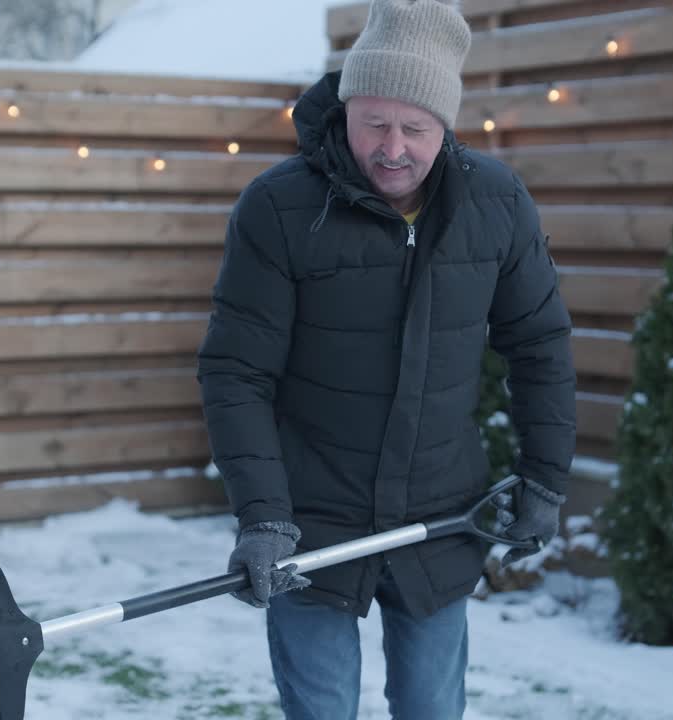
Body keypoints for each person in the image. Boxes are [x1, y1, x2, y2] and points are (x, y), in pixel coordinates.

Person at [196, 0, 577, 717]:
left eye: (416, 129)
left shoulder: (496, 204)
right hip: (310, 525)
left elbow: (539, 344)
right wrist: (263, 517)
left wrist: (545, 478)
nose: (393, 148)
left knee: (433, 707)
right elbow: (235, 372)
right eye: (374, 123)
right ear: (345, 110)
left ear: (446, 125)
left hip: (441, 515)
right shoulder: (278, 210)